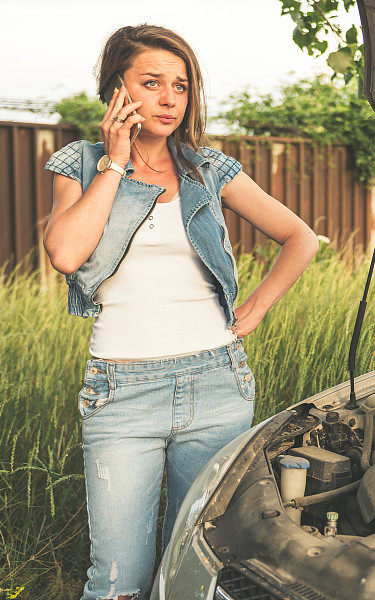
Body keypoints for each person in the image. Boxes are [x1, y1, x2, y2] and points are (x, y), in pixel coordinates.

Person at [42, 24, 319, 600]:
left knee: (196, 570)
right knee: (117, 578)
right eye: (151, 83)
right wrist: (116, 162)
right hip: (121, 391)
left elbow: (300, 237)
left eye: (182, 86)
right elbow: (66, 254)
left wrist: (258, 306)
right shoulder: (82, 163)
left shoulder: (207, 168)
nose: (170, 99)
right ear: (116, 89)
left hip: (217, 382)